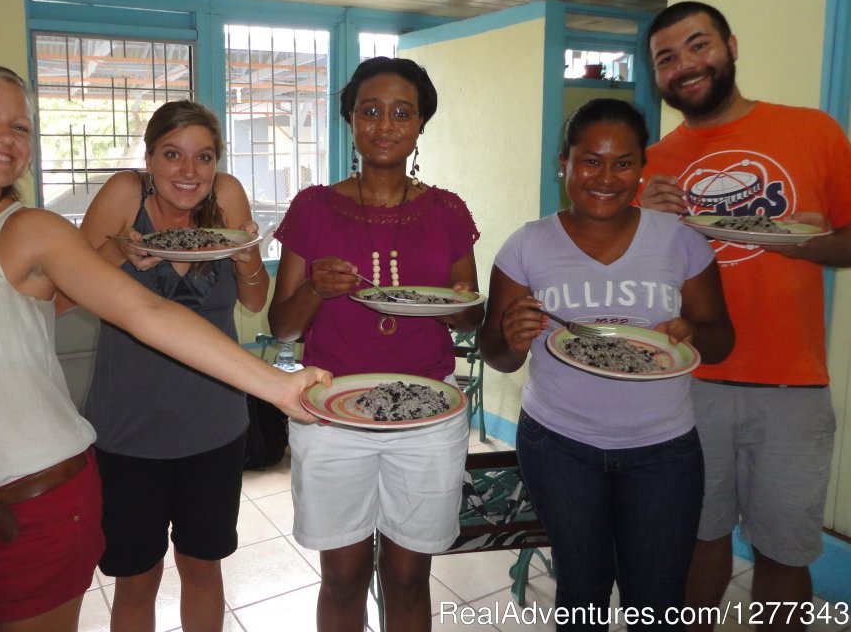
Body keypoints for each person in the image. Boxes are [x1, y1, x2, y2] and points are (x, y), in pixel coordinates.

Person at [0, 60, 330, 632]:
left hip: (38, 500)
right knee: (134, 575)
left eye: (20, 127)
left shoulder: (33, 230)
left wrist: (278, 385)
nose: (6, 137)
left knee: (199, 563)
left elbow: (148, 312)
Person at [480, 98, 734, 631]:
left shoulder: (681, 241)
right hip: (559, 445)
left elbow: (721, 339)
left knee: (659, 599)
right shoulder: (526, 245)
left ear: (642, 168)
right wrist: (512, 336)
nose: (606, 177)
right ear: (564, 163)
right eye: (590, 160)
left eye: (623, 163)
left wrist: (693, 333)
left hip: (664, 450)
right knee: (582, 589)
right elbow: (497, 357)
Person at [640, 1, 851, 630]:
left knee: (783, 553)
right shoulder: (650, 163)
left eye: (698, 45)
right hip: (686, 384)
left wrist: (803, 242)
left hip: (792, 385)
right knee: (695, 545)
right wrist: (642, 222)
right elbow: (631, 286)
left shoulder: (812, 130)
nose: (686, 66)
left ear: (730, 45)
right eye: (666, 58)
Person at [267, 56, 484, 632]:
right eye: (370, 111)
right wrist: (315, 287)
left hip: (429, 416)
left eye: (401, 113)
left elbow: (468, 316)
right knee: (341, 578)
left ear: (419, 125)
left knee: (410, 577)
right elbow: (284, 327)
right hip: (332, 414)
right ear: (351, 120)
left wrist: (462, 305)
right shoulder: (313, 207)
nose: (385, 125)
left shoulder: (447, 211)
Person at [75, 99, 266, 632]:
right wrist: (117, 254)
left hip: (215, 424)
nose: (189, 171)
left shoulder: (226, 196)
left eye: (204, 157)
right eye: (173, 155)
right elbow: (63, 293)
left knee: (203, 567)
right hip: (128, 430)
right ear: (150, 157)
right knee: (137, 578)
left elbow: (253, 301)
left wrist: (249, 258)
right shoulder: (123, 195)